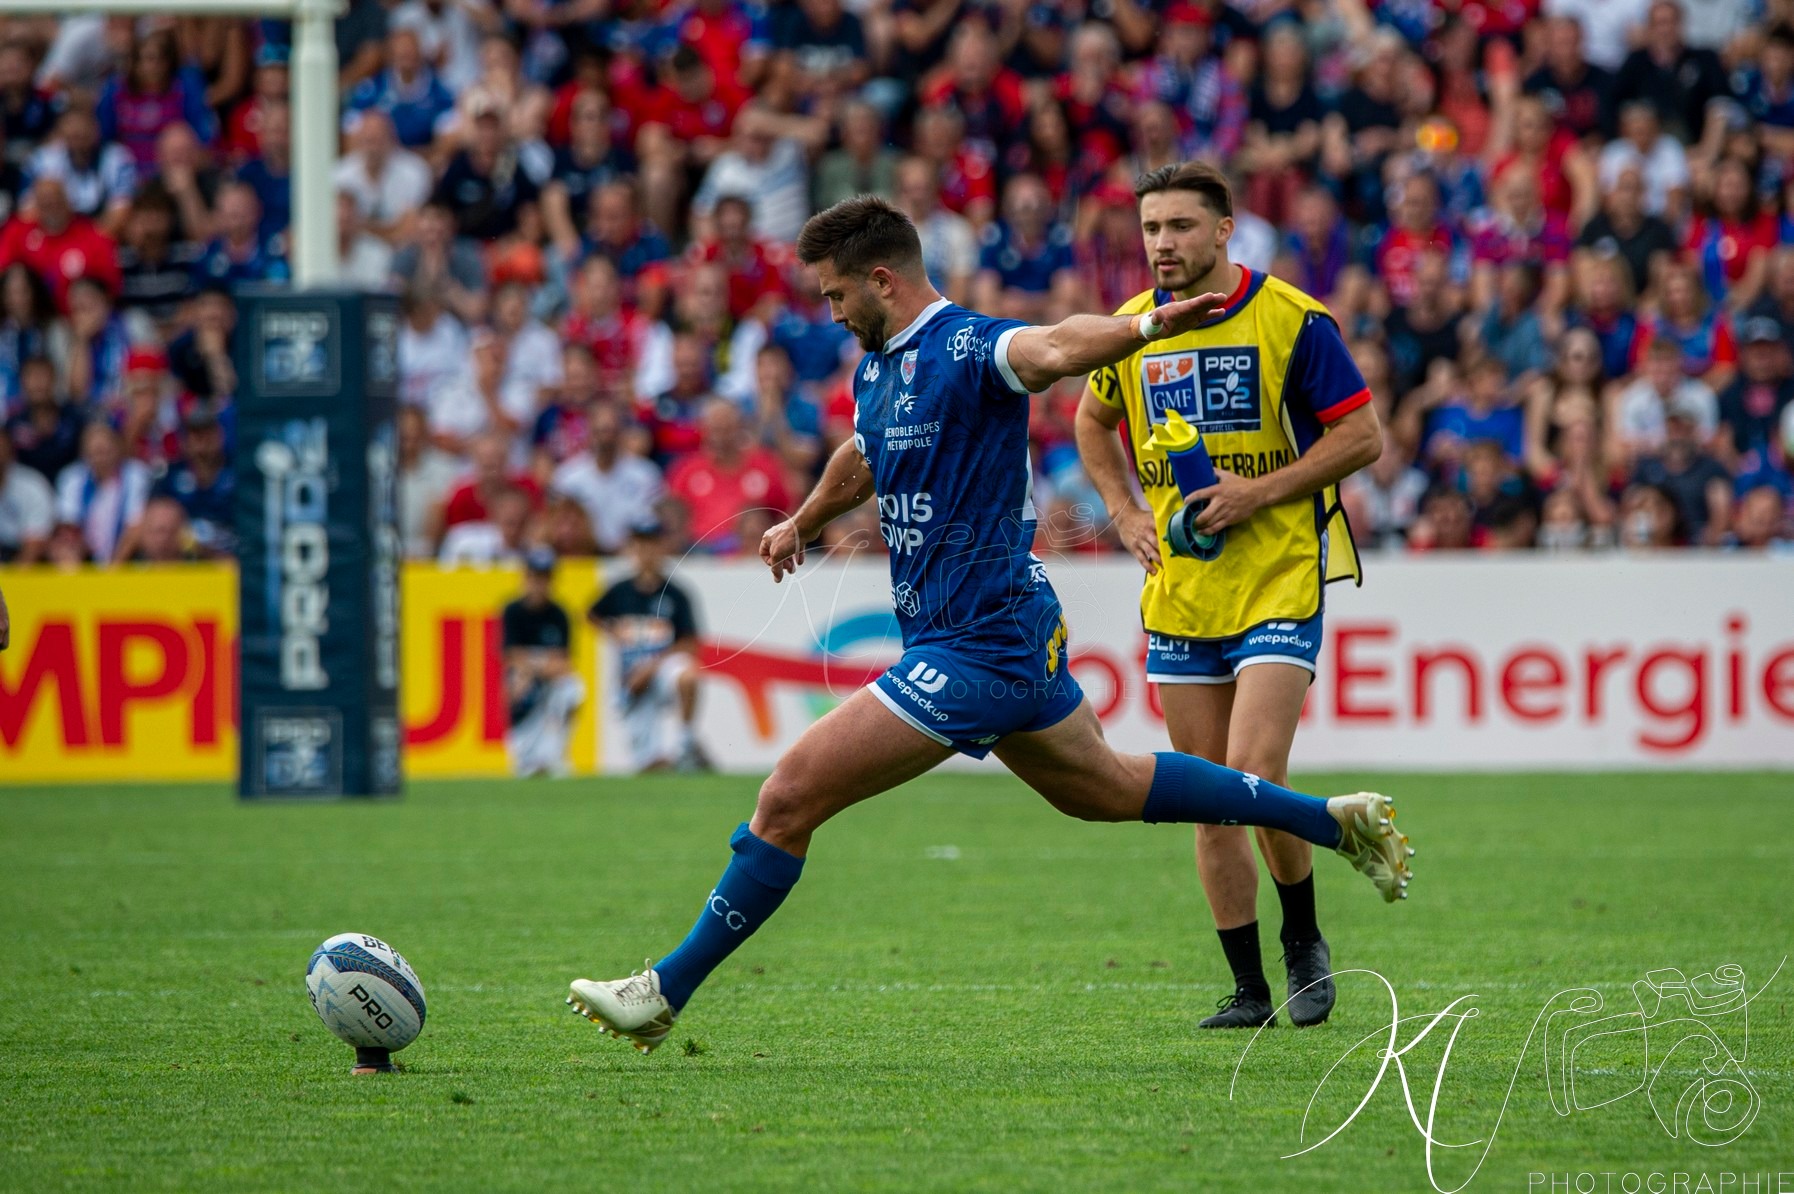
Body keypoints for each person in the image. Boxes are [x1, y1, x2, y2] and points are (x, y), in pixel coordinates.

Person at [566, 195, 1414, 1053]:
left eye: (834, 295)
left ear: (883, 281)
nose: (830, 312)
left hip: (977, 648)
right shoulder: (878, 367)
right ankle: (1332, 822)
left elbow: (1051, 347)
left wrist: (1147, 327)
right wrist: (806, 520)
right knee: (1113, 791)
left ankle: (663, 990)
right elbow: (864, 454)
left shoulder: (970, 345)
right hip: (995, 636)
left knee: (787, 796)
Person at [1072, 162, 1382, 1031]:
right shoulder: (1132, 328)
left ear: (1223, 230)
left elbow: (1363, 436)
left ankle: (1304, 945)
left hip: (1279, 576)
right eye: (1150, 229)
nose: (1162, 244)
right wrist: (1124, 510)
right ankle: (1247, 988)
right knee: (1209, 800)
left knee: (1253, 776)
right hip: (1182, 593)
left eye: (1178, 226)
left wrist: (1259, 492)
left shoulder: (1291, 319)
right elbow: (1089, 423)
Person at [588, 519, 708, 773]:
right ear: (632, 549)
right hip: (631, 681)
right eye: (640, 545)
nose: (646, 551)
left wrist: (654, 666)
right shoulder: (620, 591)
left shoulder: (675, 593)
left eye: (652, 545)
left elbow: (689, 643)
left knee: (688, 675)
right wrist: (614, 632)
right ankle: (687, 760)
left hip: (661, 670)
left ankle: (686, 743)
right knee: (649, 765)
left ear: (661, 548)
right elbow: (591, 614)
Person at [502, 548, 585, 778]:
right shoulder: (513, 611)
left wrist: (534, 667)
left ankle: (556, 754)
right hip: (524, 685)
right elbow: (511, 656)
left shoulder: (559, 614)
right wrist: (539, 667)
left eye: (544, 577)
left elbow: (565, 664)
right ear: (526, 577)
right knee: (516, 683)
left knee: (572, 688)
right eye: (534, 577)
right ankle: (523, 750)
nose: (539, 584)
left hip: (546, 683)